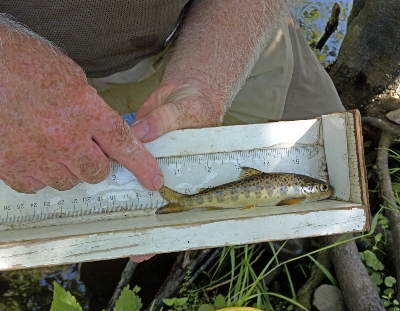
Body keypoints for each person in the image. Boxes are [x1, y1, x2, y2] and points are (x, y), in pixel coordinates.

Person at [0, 1, 344, 262]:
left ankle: (282, 242)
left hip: (209, 29)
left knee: (335, 145)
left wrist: (206, 84)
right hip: (18, 82)